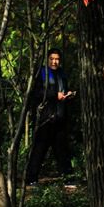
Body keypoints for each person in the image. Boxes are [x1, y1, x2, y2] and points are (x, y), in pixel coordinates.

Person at [25, 48, 75, 186]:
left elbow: (62, 91)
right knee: (39, 150)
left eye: (57, 59)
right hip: (44, 119)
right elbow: (36, 94)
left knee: (62, 150)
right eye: (52, 59)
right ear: (47, 59)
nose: (54, 61)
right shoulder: (41, 73)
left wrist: (67, 95)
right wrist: (54, 95)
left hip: (59, 118)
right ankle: (31, 179)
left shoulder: (61, 74)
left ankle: (68, 179)